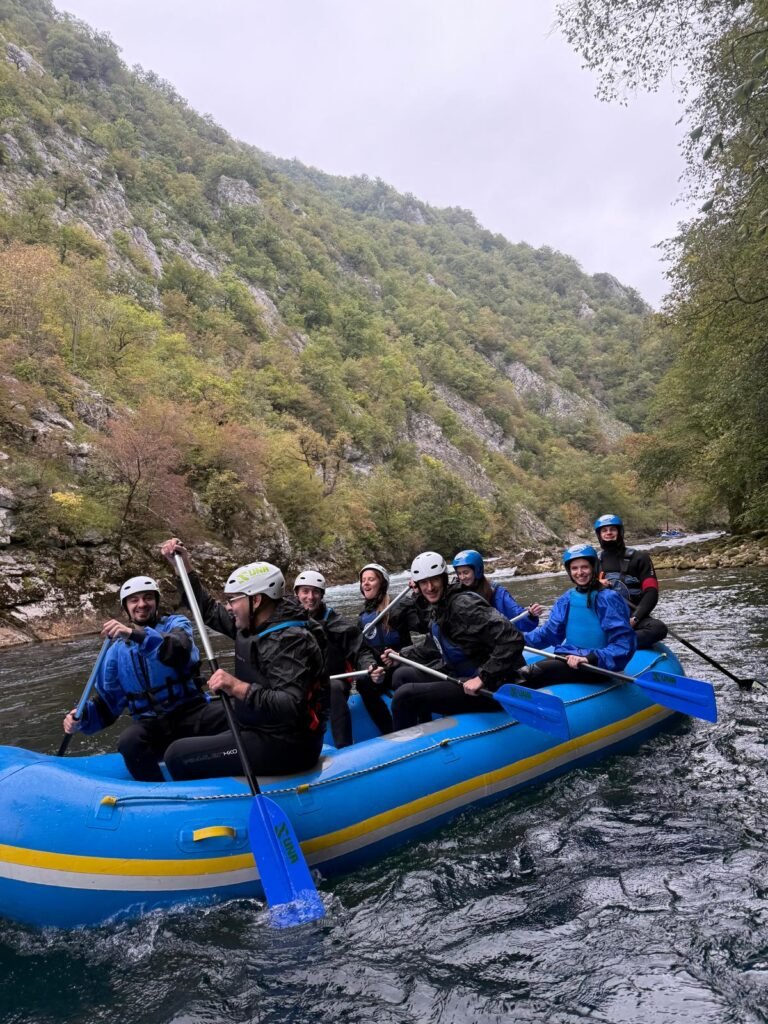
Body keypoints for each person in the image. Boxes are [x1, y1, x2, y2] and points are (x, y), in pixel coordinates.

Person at [159, 539, 328, 780]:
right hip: (257, 725)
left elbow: (291, 704)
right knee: (189, 727)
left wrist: (236, 686)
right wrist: (183, 567)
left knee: (177, 755)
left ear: (255, 600)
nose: (228, 607)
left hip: (287, 744)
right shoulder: (253, 625)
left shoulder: (291, 640)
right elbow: (206, 610)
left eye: (233, 600)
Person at [62, 575, 206, 782]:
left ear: (156, 601)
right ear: (126, 607)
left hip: (192, 712)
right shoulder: (115, 652)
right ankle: (156, 789)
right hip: (153, 725)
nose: (142, 604)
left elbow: (179, 649)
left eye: (148, 598)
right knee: (128, 741)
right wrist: (82, 717)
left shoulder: (176, 624)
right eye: (134, 600)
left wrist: (134, 634)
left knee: (236, 714)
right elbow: (107, 705)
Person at [382, 551, 525, 730]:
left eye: (434, 580)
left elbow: (512, 638)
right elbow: (434, 645)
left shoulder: (463, 605)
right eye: (424, 582)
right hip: (461, 676)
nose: (429, 587)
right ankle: (424, 730)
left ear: (444, 579)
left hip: (491, 685)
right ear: (417, 585)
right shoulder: (439, 606)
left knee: (404, 696)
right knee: (401, 674)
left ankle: (407, 743)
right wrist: (401, 655)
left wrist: (483, 677)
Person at [293, 568, 391, 747]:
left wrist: (369, 666)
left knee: (334, 688)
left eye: (315, 592)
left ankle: (344, 747)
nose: (310, 597)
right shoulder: (286, 622)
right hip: (300, 686)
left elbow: (359, 648)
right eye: (305, 591)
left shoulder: (334, 621)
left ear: (322, 595)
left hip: (331, 683)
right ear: (297, 594)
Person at [518, 543, 636, 688]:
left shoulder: (608, 598)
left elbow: (623, 643)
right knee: (518, 672)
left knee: (530, 673)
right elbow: (549, 633)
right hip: (570, 658)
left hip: (597, 665)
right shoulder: (567, 598)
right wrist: (518, 639)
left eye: (584, 567)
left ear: (594, 568)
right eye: (574, 568)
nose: (579, 572)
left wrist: (589, 658)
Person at [593, 513, 668, 648]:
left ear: (620, 532)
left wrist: (635, 619)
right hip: (604, 617)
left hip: (632, 616)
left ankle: (616, 642)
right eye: (604, 530)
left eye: (612, 529)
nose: (608, 532)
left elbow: (651, 592)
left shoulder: (639, 558)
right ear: (599, 535)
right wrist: (595, 586)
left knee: (658, 628)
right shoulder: (594, 562)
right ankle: (614, 641)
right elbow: (582, 592)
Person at [451, 549, 544, 630]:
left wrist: (531, 615)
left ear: (477, 571)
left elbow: (517, 615)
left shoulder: (496, 592)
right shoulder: (453, 591)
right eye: (459, 573)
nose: (462, 577)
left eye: (466, 572)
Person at [358, 562, 424, 653]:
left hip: (401, 658)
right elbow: (361, 650)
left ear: (382, 584)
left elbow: (422, 626)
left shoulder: (398, 605)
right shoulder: (363, 614)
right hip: (374, 662)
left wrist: (419, 595)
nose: (366, 583)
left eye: (371, 579)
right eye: (363, 580)